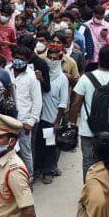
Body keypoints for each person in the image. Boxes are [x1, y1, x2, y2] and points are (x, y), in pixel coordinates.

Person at [69, 46, 109, 180]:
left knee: (88, 162)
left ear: (98, 59)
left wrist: (72, 123)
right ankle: (106, 191)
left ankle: (89, 192)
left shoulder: (85, 78)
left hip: (88, 129)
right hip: (108, 132)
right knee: (106, 162)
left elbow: (75, 103)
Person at [35, 45, 68, 184]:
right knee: (39, 145)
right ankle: (39, 168)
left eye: (55, 58)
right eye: (50, 57)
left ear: (60, 59)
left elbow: (63, 103)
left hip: (51, 118)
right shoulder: (42, 74)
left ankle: (48, 171)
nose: (52, 60)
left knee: (50, 145)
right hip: (38, 117)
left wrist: (57, 121)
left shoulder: (62, 79)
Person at [8, 45, 42, 177]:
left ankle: (29, 178)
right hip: (8, 121)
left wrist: (31, 121)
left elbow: (37, 101)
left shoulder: (32, 77)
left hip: (24, 121)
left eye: (22, 59)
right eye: (16, 58)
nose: (18, 61)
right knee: (9, 152)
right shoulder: (7, 72)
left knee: (26, 152)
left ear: (27, 61)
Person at [83, 6, 109, 72]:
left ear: (104, 15)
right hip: (89, 59)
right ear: (94, 14)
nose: (99, 17)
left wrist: (106, 36)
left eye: (101, 15)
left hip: (102, 59)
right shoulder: (86, 25)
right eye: (98, 15)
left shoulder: (107, 26)